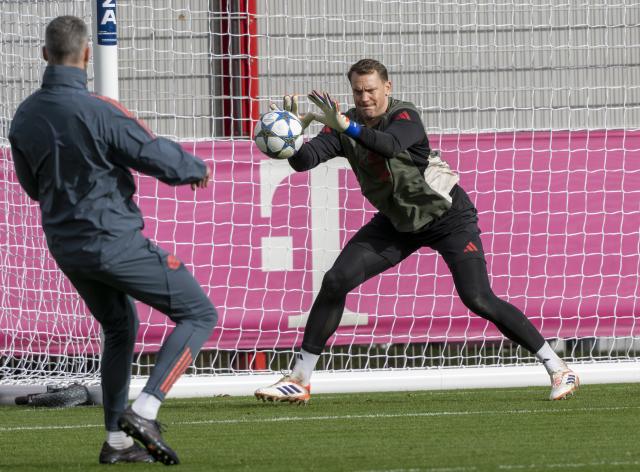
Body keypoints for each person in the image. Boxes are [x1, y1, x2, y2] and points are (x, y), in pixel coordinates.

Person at [255, 58, 579, 404]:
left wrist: (346, 126)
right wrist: (294, 136)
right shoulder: (341, 125)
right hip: (398, 224)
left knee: (478, 298)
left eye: (371, 90)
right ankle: (299, 379)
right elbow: (305, 161)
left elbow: (389, 145)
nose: (364, 97)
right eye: (357, 91)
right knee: (336, 280)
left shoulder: (404, 116)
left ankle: (559, 367)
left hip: (448, 217)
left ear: (388, 88)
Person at [9, 16, 217, 465]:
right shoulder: (99, 110)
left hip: (66, 248)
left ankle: (117, 442)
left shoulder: (24, 116)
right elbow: (151, 152)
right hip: (112, 242)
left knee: (120, 327)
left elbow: (32, 186)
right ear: (87, 56)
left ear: (45, 55)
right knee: (198, 313)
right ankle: (145, 409)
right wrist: (194, 168)